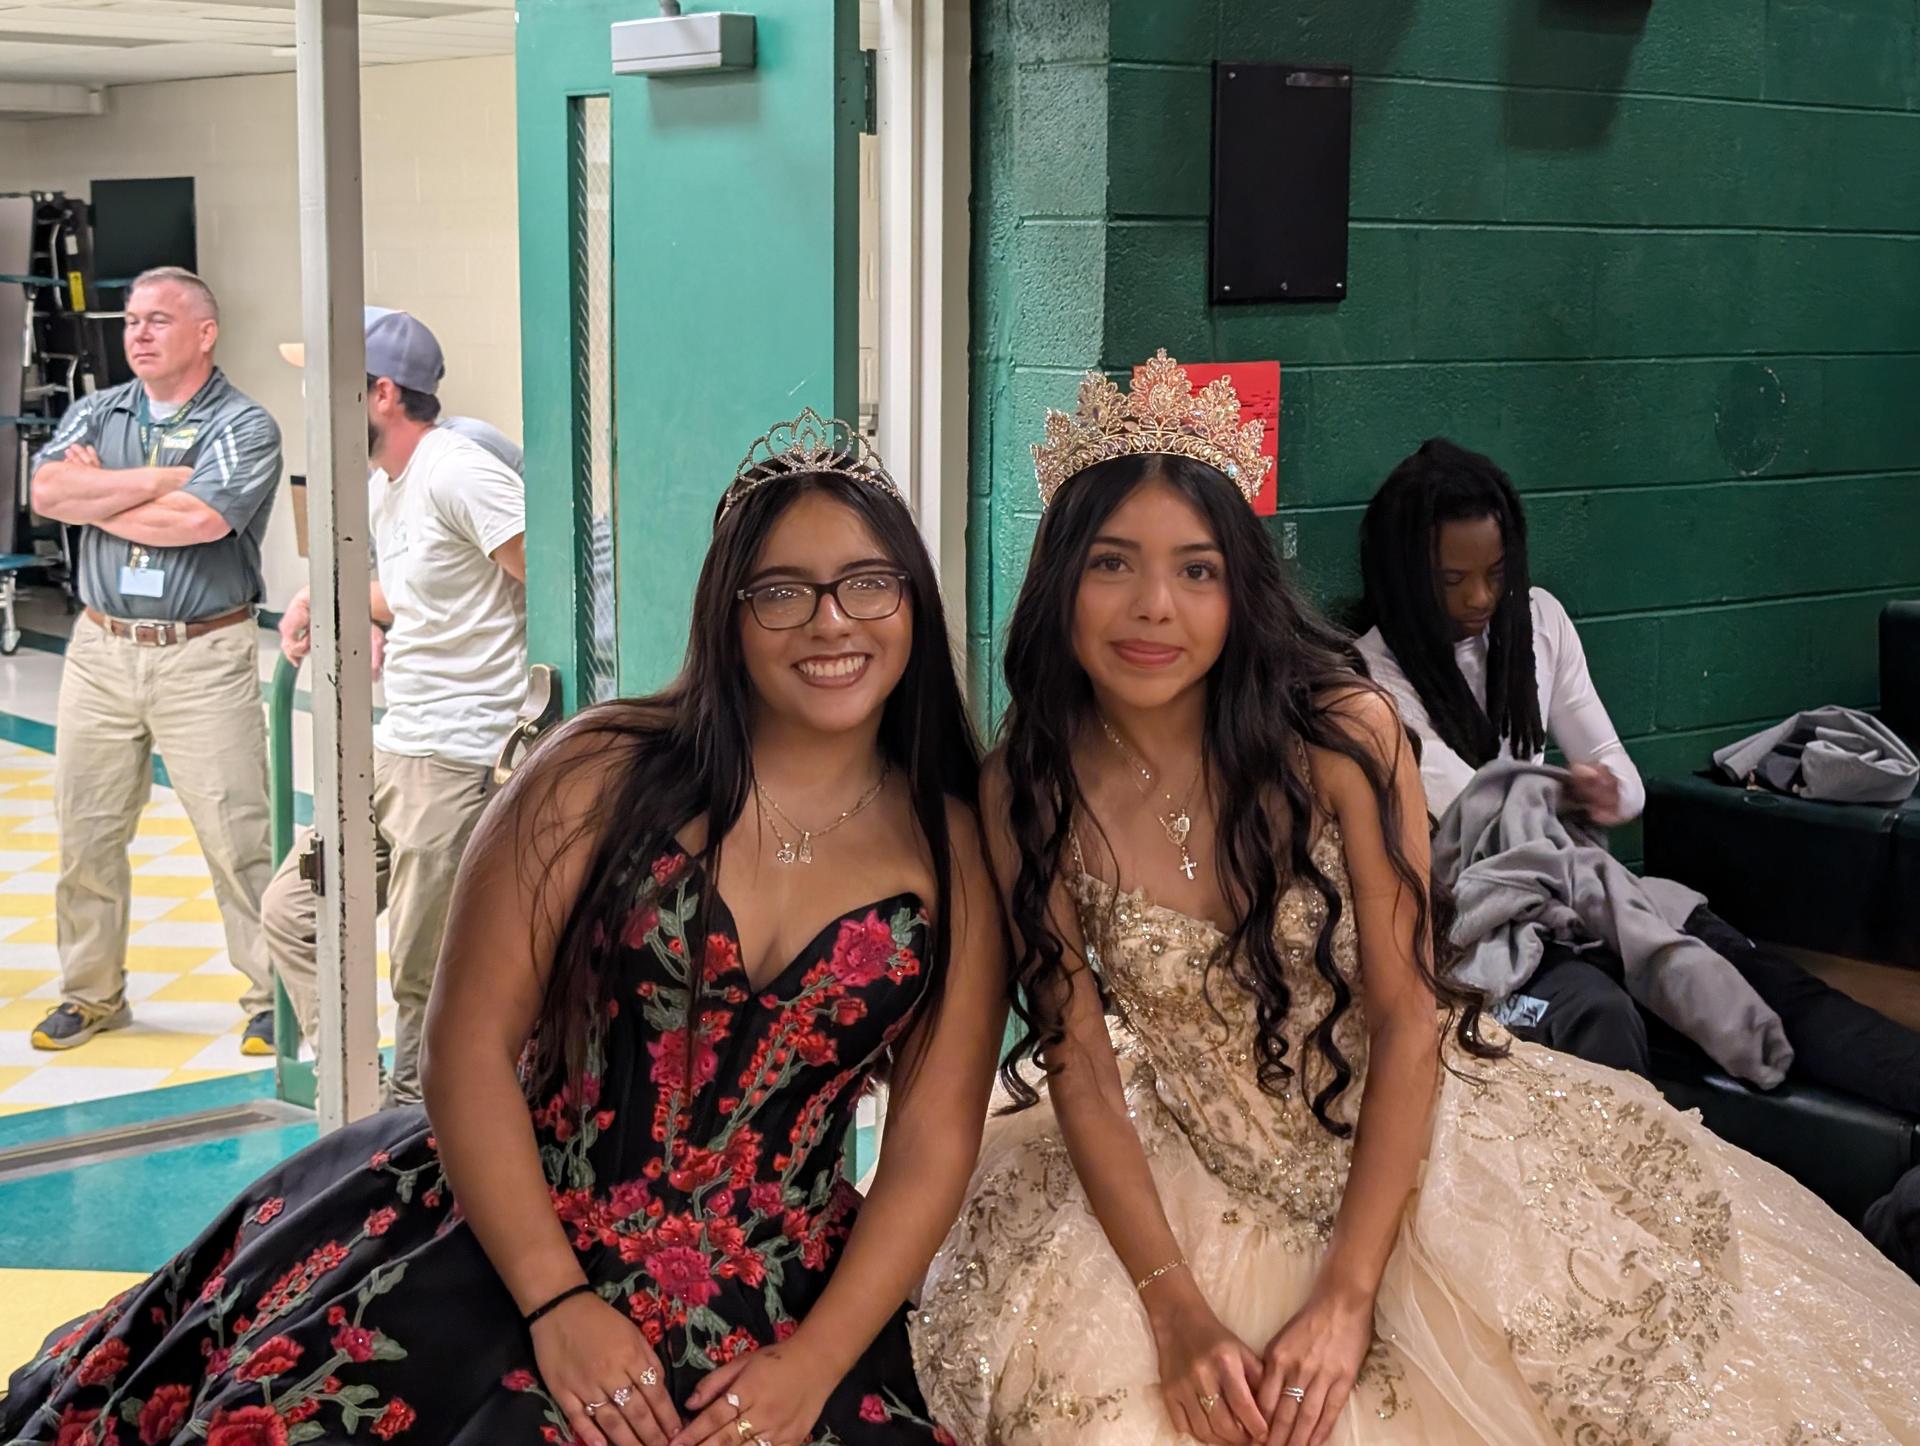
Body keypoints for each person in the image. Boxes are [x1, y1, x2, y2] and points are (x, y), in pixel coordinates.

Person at [911, 354, 1920, 1444]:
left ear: (1239, 587)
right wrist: (1174, 1309)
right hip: (1179, 1174)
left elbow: (1405, 1017)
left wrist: (1348, 1297)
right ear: (1060, 578)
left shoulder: (1343, 734)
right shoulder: (1025, 787)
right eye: (1113, 563)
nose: (1154, 606)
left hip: (1417, 1151)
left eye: (1196, 570)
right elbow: (1080, 1062)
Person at [2, 408, 1001, 1446]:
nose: (832, 623)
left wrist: (814, 1365)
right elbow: (466, 1043)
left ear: (913, 602)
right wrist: (557, 1303)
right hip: (507, 1233)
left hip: (788, 1308)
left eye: (868, 584)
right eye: (783, 592)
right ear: (729, 613)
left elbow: (931, 1143)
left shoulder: (953, 850)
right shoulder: (598, 772)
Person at [1351, 438, 1920, 1118]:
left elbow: (1623, 782)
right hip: (1484, 927)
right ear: (1407, 573)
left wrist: (1596, 789)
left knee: (1748, 974)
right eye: (1452, 580)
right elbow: (1476, 816)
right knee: (1602, 1012)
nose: (1480, 596)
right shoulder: (1368, 683)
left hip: (1583, 891)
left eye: (1496, 572)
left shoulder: (1537, 621)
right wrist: (1559, 796)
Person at [268, 308, 528, 1100]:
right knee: (293, 913)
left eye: (327, 384)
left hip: (455, 759)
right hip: (396, 745)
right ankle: (365, 1095)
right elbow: (428, 590)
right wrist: (332, 598)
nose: (313, 401)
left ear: (382, 393)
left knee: (424, 975)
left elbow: (558, 577)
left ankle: (414, 1130)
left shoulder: (458, 471)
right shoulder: (390, 484)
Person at [26, 266, 281, 1054]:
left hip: (201, 653)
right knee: (86, 835)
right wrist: (159, 482)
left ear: (205, 333)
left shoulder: (243, 425)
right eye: (132, 319)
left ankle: (272, 998)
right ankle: (91, 993)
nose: (137, 333)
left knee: (237, 837)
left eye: (158, 320)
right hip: (100, 651)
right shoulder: (95, 411)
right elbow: (46, 494)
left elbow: (199, 522)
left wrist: (102, 494)